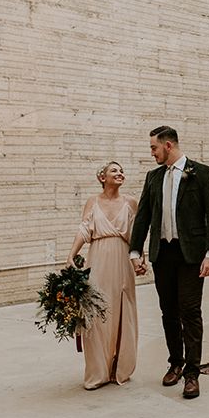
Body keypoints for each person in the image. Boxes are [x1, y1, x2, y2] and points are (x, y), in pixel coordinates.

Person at [129, 126, 209, 399]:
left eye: (154, 148)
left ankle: (192, 374)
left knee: (190, 311)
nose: (152, 153)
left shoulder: (202, 173)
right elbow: (143, 216)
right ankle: (176, 363)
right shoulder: (153, 177)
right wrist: (135, 251)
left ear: (168, 145)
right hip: (163, 254)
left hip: (191, 254)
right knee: (168, 311)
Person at [67, 161, 142, 390]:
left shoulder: (131, 202)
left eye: (122, 171)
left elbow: (137, 236)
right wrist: (71, 255)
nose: (120, 173)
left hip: (122, 260)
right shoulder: (93, 201)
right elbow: (84, 229)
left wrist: (140, 259)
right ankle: (97, 372)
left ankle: (119, 368)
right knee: (97, 313)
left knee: (123, 312)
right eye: (114, 170)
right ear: (102, 177)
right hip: (98, 260)